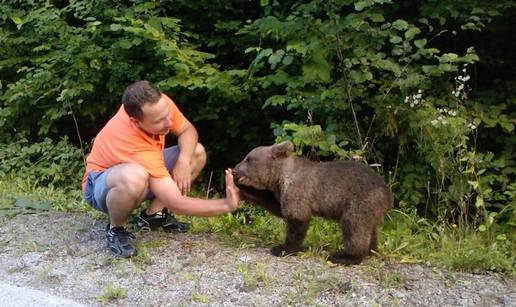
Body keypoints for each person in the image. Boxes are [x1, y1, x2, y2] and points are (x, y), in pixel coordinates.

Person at [81, 80, 240, 258]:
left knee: (196, 151)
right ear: (135, 121)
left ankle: (153, 215)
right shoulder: (134, 144)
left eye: (168, 115)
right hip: (100, 186)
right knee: (134, 176)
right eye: (159, 121)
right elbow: (177, 203)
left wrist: (183, 160)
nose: (169, 122)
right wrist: (226, 204)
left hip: (137, 171)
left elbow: (187, 130)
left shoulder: (157, 104)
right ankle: (117, 228)